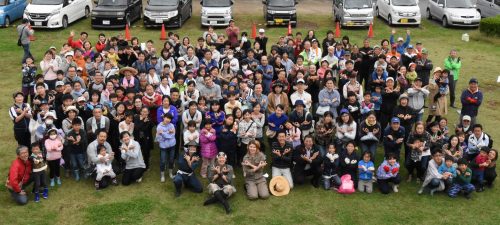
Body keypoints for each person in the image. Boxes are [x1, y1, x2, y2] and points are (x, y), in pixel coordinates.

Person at [156, 113, 176, 182]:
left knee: (171, 160)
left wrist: (163, 134)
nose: (168, 120)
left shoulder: (172, 125)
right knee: (163, 161)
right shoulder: (159, 126)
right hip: (163, 147)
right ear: (163, 117)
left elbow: (172, 136)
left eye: (169, 119)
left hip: (172, 145)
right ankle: (162, 175)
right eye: (166, 118)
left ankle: (170, 173)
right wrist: (168, 133)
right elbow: (158, 139)